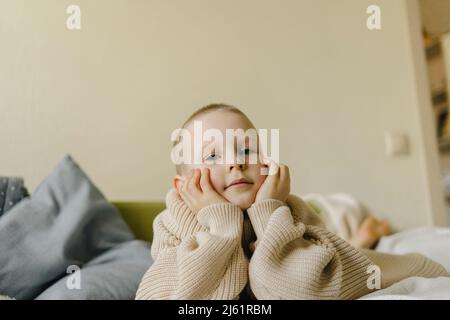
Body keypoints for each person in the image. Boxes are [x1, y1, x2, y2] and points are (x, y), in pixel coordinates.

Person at [136, 104, 449, 300]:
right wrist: (220, 226)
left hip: (327, 247)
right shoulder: (173, 223)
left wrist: (269, 211)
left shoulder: (288, 208)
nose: (235, 163)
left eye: (247, 150)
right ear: (183, 186)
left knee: (377, 258)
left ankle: (368, 239)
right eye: (213, 155)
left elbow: (306, 291)